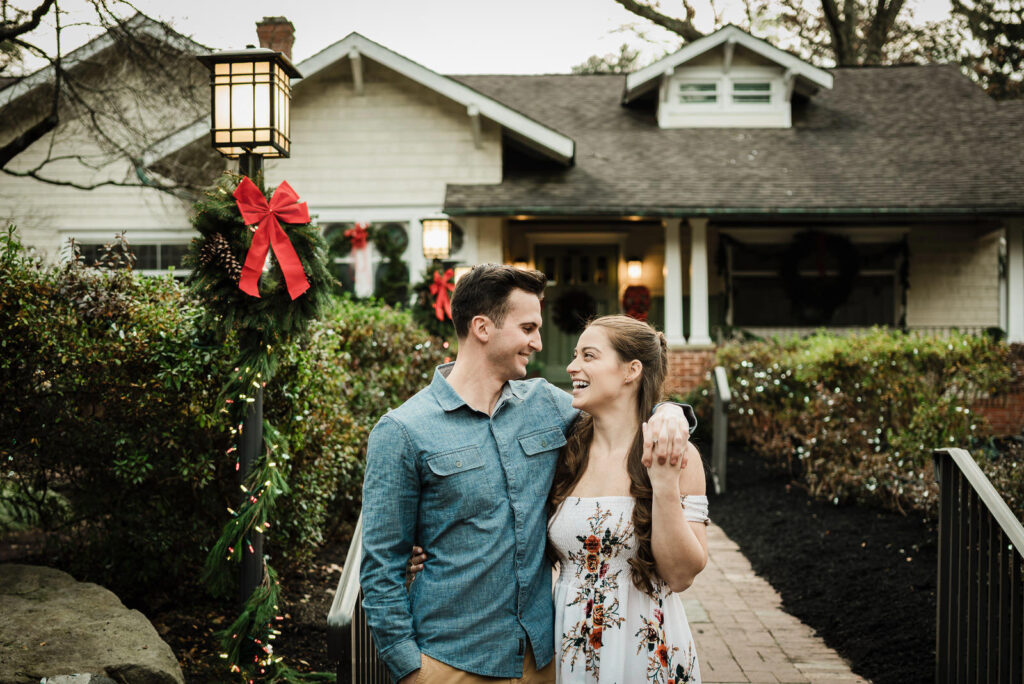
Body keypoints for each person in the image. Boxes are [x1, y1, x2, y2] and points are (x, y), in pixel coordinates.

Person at [359, 264, 694, 684]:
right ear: (482, 327)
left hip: (543, 659)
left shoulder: (546, 405)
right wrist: (410, 669)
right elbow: (380, 568)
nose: (538, 341)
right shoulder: (403, 431)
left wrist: (670, 412)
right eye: (528, 327)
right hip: (449, 662)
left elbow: (620, 412)